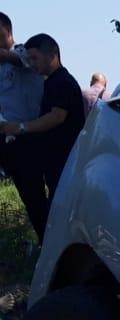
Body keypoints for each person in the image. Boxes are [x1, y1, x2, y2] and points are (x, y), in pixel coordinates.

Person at [0, 33, 84, 243]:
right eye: (30, 59)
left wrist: (20, 127)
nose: (32, 64)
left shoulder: (62, 82)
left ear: (53, 54)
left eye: (35, 58)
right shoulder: (51, 82)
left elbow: (56, 117)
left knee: (63, 209)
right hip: (55, 160)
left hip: (65, 159)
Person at [0, 12, 44, 239]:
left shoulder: (26, 53)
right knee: (30, 199)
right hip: (11, 140)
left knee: (47, 198)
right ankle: (45, 243)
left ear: (7, 30)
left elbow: (18, 60)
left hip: (35, 136)